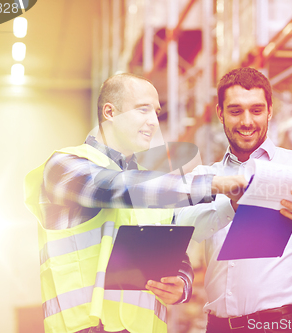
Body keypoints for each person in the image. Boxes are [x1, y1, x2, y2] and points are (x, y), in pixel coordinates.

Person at [24, 73, 247, 333]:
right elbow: (113, 188)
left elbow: (172, 249)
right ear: (110, 112)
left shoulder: (152, 184)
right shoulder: (66, 166)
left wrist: (182, 284)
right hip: (85, 327)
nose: (153, 122)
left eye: (156, 112)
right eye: (143, 110)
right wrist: (210, 184)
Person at [175, 67, 292, 332]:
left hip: (280, 324)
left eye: (256, 110)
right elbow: (182, 229)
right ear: (220, 113)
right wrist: (231, 205)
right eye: (235, 111)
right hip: (219, 327)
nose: (246, 121)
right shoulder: (207, 177)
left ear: (269, 111)